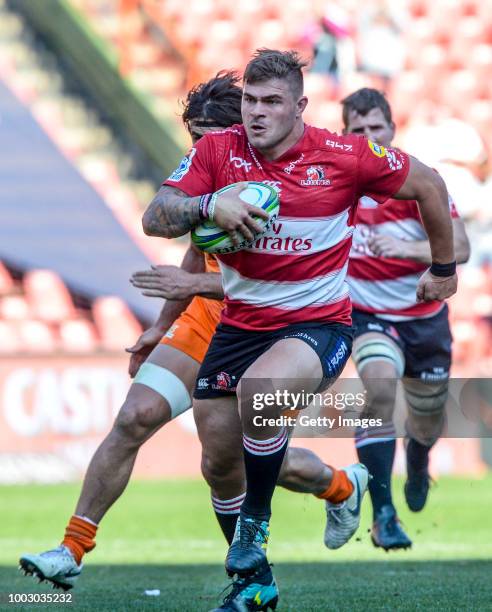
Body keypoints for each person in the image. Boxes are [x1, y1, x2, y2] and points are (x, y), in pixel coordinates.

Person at [18, 72, 364, 605]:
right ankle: (71, 549)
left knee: (234, 462)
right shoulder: (208, 170)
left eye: (210, 135)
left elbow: (273, 279)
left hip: (268, 330)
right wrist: (160, 324)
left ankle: (340, 486)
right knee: (134, 417)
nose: (200, 148)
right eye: (195, 136)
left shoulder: (278, 179)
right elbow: (198, 251)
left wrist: (192, 283)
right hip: (206, 322)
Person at [142, 48, 457, 609]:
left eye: (271, 102)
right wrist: (210, 204)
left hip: (321, 326)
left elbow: (429, 184)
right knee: (218, 461)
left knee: (261, 395)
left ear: (300, 107)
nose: (256, 113)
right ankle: (255, 583)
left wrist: (442, 270)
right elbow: (157, 214)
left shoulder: (346, 156)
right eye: (249, 101)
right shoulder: (218, 152)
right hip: (241, 326)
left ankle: (255, 526)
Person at [341, 88, 470, 550]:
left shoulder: (419, 181)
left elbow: (461, 248)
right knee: (378, 389)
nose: (369, 136)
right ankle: (384, 515)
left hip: (425, 317)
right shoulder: (337, 185)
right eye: (359, 130)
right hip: (368, 314)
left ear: (392, 131)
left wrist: (408, 249)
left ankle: (418, 461)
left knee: (428, 421)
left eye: (377, 128)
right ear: (346, 135)